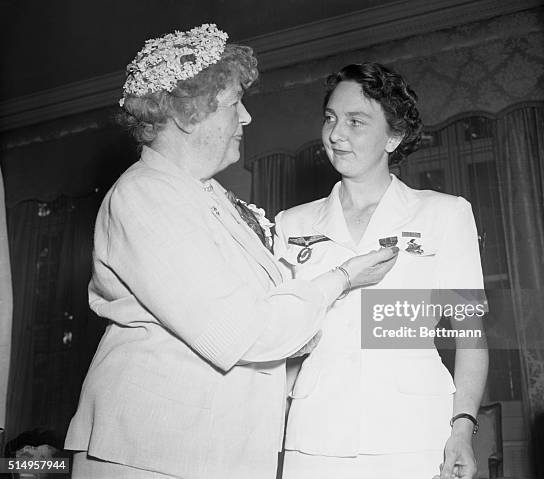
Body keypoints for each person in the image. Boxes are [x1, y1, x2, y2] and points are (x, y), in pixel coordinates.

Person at [64, 28, 399, 479]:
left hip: (213, 446)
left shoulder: (207, 196)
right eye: (232, 103)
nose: (246, 117)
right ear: (187, 114)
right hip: (151, 449)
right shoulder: (145, 196)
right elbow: (244, 333)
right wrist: (340, 278)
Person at [275, 63, 489, 479]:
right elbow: (285, 340)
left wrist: (462, 429)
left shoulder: (445, 214)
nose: (336, 134)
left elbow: (471, 337)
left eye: (356, 121)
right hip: (315, 438)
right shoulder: (291, 224)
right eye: (331, 118)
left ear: (394, 136)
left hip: (413, 436)